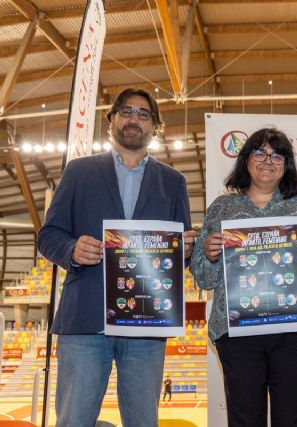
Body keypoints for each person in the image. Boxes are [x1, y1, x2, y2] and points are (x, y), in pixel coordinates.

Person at [38, 88, 196, 427]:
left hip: (147, 324)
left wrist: (186, 249)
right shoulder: (79, 171)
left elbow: (181, 254)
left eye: (143, 114)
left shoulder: (173, 181)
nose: (133, 119)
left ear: (155, 126)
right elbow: (48, 236)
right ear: (111, 120)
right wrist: (72, 250)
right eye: (126, 111)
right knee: (73, 421)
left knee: (142, 422)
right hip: (85, 322)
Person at [190, 128, 297, 427]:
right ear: (246, 160)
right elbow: (203, 279)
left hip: (293, 330)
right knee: (244, 419)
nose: (267, 160)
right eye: (259, 152)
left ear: (287, 164)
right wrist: (207, 254)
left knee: (294, 419)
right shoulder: (222, 206)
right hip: (236, 330)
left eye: (276, 154)